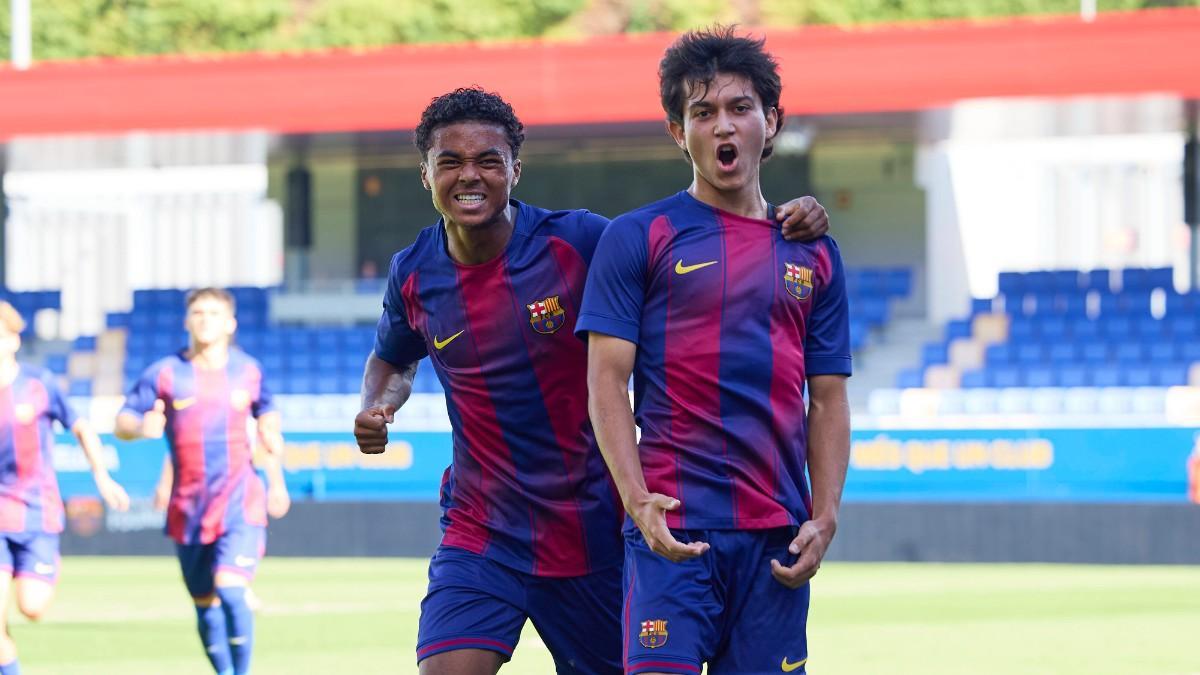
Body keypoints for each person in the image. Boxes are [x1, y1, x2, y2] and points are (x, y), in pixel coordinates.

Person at [353, 87, 831, 675]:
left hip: (594, 532)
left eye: (488, 161)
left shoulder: (580, 241)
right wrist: (377, 405)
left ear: (515, 170)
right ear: (425, 175)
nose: (468, 176)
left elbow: (686, 240)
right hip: (483, 530)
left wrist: (786, 218)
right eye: (449, 162)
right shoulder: (413, 272)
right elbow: (392, 358)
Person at [576, 27, 853, 674]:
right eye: (702, 112)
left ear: (771, 120)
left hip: (775, 540)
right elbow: (606, 383)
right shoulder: (638, 237)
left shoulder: (813, 250)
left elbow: (830, 398)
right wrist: (637, 500)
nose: (722, 126)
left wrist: (827, 512)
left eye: (739, 108)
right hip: (673, 527)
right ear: (679, 131)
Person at [116, 288, 287, 675]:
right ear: (186, 321)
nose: (205, 319)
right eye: (198, 312)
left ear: (230, 324)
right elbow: (121, 421)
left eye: (213, 312)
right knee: (204, 602)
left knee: (229, 587)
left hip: (240, 502)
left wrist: (272, 438)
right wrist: (141, 427)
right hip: (188, 508)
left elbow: (268, 412)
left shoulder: (248, 371)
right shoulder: (164, 372)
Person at [0, 301, 130, 675]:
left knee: (33, 607)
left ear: (14, 340)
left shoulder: (38, 384)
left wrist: (101, 475)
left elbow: (81, 427)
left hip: (36, 511)